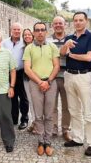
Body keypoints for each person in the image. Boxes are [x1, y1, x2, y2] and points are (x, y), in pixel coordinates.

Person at [60, 11, 91, 156]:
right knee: (73, 109)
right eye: (75, 20)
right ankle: (77, 138)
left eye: (80, 20)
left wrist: (71, 54)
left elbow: (89, 58)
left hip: (85, 77)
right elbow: (62, 53)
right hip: (69, 75)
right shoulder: (69, 37)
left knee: (89, 111)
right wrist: (66, 45)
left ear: (86, 21)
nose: (78, 22)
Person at [23, 22, 60, 156]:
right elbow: (27, 68)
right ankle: (40, 141)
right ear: (33, 33)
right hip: (35, 83)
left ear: (46, 32)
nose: (40, 32)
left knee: (49, 114)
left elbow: (56, 66)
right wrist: (40, 82)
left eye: (42, 30)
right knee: (38, 114)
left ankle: (48, 141)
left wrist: (48, 81)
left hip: (50, 83)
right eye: (37, 30)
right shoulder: (29, 49)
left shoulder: (52, 46)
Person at [46, 16, 71, 141]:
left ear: (65, 24)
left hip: (67, 76)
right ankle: (54, 128)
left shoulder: (71, 39)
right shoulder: (48, 40)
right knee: (52, 105)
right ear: (52, 25)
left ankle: (66, 129)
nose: (58, 25)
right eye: (55, 23)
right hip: (53, 76)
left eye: (60, 23)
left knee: (67, 106)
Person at [2, 22, 29, 130]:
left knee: (23, 97)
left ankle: (24, 119)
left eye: (19, 30)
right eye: (15, 29)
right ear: (11, 30)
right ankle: (14, 118)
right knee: (11, 96)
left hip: (21, 72)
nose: (17, 31)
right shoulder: (4, 43)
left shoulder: (25, 43)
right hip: (8, 73)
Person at [21, 28, 36, 133]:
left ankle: (39, 123)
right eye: (25, 35)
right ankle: (35, 122)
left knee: (38, 102)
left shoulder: (37, 47)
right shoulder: (22, 48)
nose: (27, 36)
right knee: (31, 101)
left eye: (29, 35)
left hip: (37, 78)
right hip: (26, 78)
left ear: (33, 35)